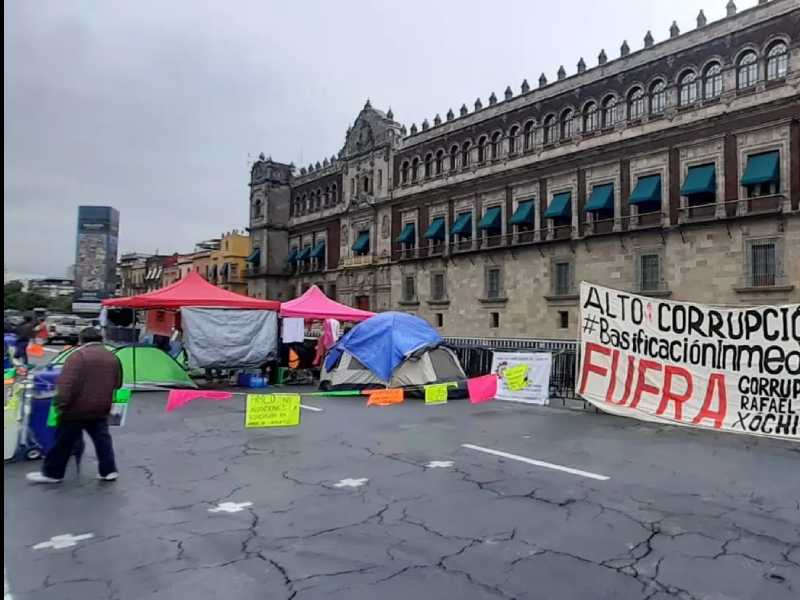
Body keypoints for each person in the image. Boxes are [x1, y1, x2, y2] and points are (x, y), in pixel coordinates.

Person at [26, 327, 121, 484]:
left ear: (81, 340)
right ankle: (109, 471)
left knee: (62, 442)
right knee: (102, 440)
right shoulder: (112, 357)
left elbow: (66, 385)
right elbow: (118, 384)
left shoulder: (78, 356)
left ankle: (52, 473)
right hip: (101, 407)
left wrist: (59, 406)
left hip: (75, 409)